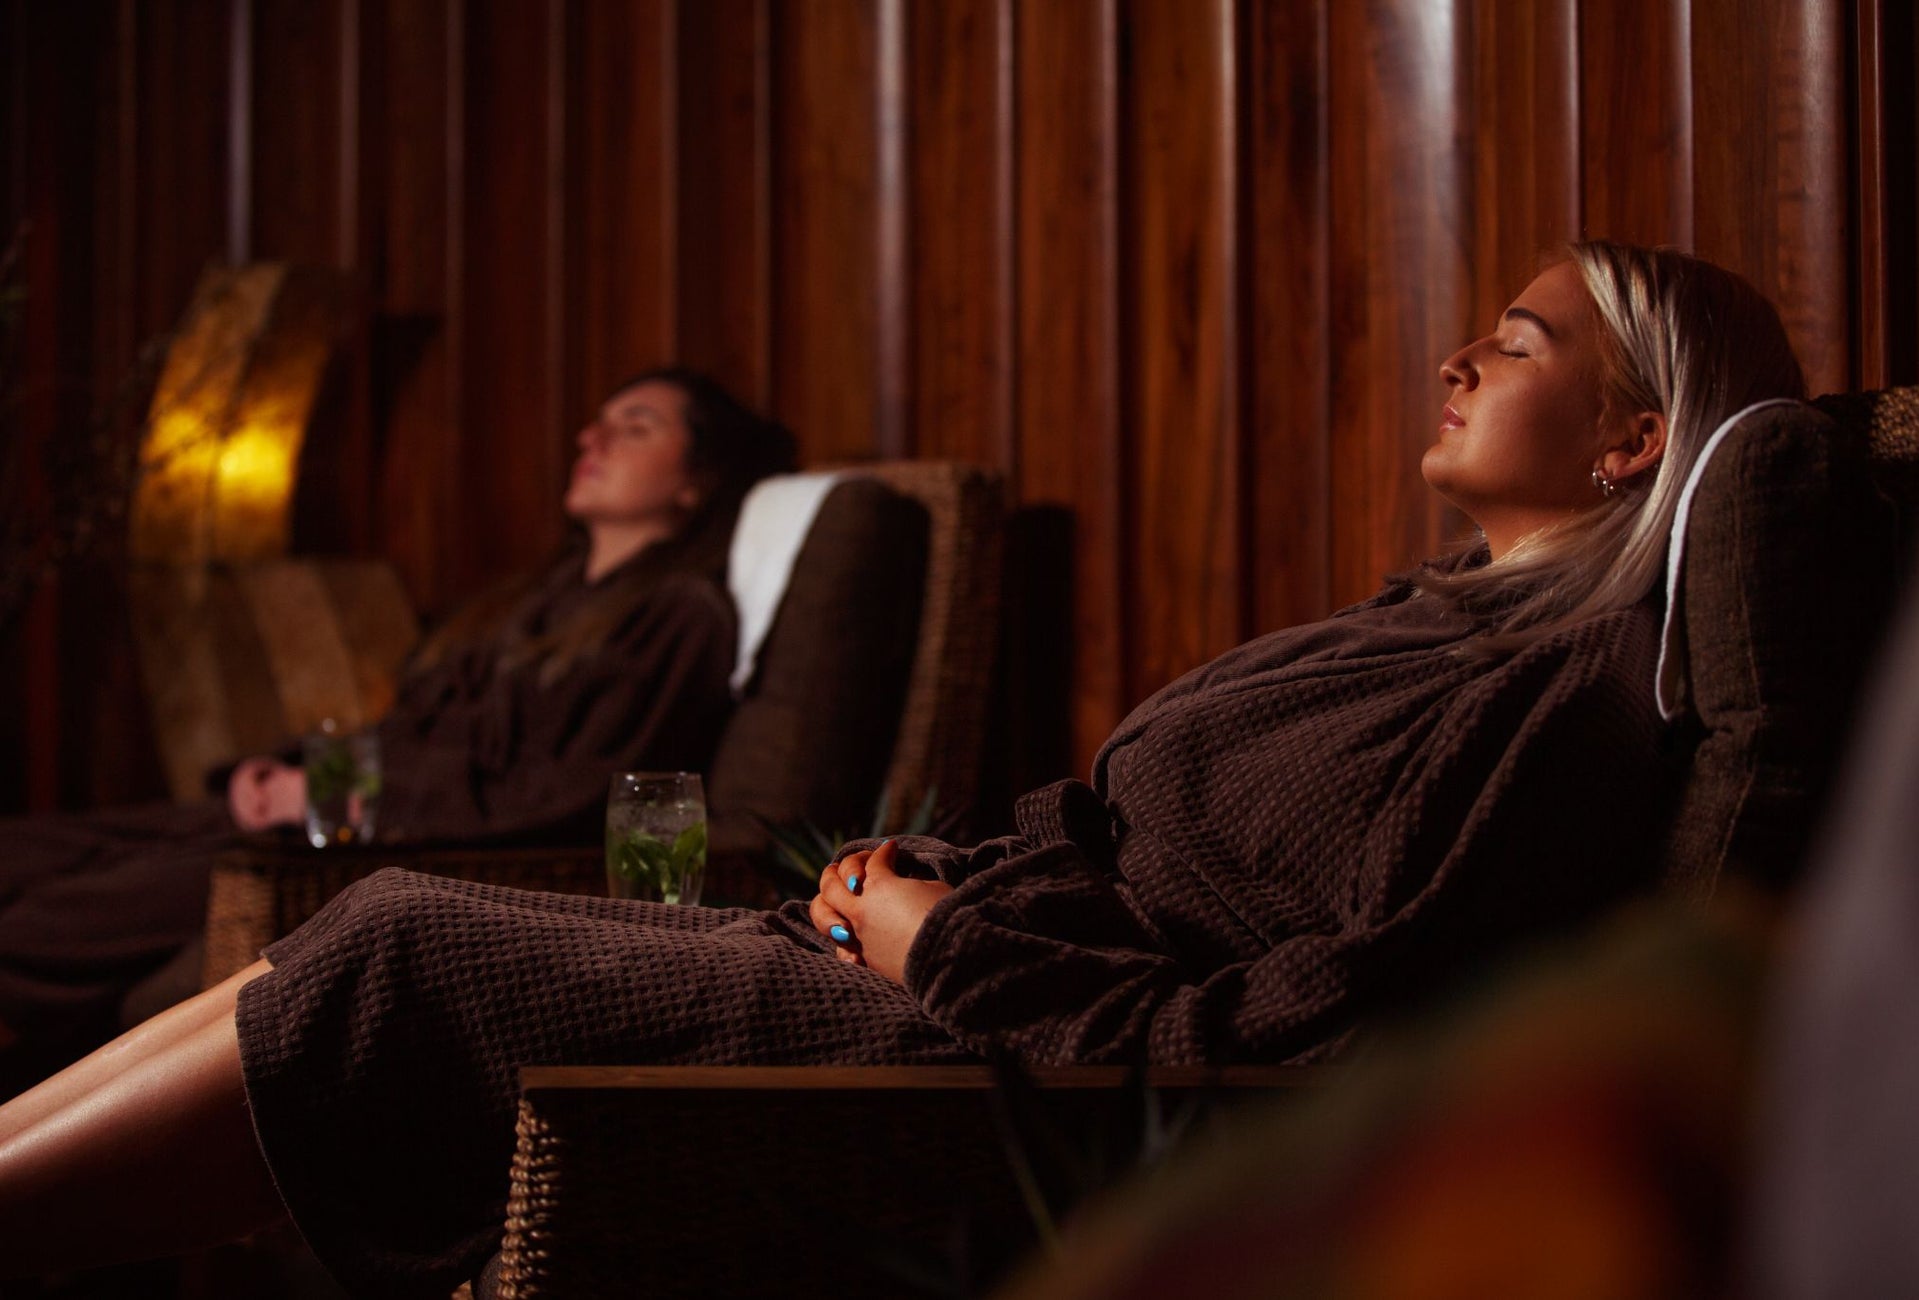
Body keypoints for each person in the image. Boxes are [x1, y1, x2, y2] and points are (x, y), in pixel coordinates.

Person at [0, 243, 1809, 1295]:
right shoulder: (1406, 627)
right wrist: (903, 878)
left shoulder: (1549, 704)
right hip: (928, 960)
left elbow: (1326, 1033)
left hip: (990, 1061)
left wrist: (948, 951)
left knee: (400, 941)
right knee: (324, 943)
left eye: (1510, 343)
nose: (1450, 354)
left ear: (1625, 440)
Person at [0, 366, 795, 1091]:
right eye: (595, 422)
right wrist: (280, 773)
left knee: (37, 927)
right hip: (319, 820)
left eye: (637, 425)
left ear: (699, 479)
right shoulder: (521, 604)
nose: (591, 439)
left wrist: (339, 800)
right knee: (19, 852)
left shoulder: (677, 617)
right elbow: (401, 730)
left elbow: (567, 794)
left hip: (387, 852)